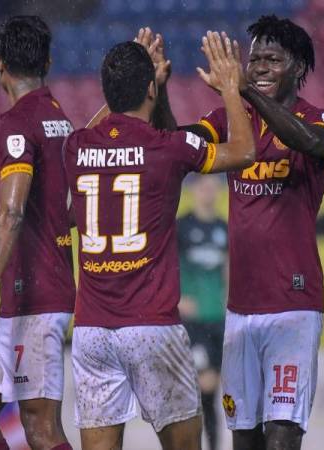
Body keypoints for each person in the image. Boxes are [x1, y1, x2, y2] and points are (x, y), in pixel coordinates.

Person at [62, 30, 255, 450]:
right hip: (151, 326)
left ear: (107, 91)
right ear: (152, 88)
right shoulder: (168, 147)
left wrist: (125, 86)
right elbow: (243, 150)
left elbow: (101, 127)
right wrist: (229, 89)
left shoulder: (76, 148)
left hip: (92, 329)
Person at [188, 15, 324, 450]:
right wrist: (158, 94)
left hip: (293, 305)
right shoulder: (232, 119)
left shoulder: (319, 118)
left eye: (272, 60)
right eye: (253, 61)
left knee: (282, 437)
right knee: (244, 438)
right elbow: (181, 145)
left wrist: (242, 88)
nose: (259, 68)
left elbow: (309, 143)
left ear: (297, 67)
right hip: (241, 308)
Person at [0, 16, 75, 450]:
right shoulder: (58, 117)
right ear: (46, 60)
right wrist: (3, 221)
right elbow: (52, 203)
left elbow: (15, 211)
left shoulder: (18, 120)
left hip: (37, 296)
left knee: (41, 428)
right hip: (27, 294)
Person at [177, 174, 228, 450]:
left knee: (210, 394)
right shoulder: (182, 227)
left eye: (213, 186)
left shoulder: (223, 228)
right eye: (203, 185)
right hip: (192, 322)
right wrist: (176, 298)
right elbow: (165, 265)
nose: (208, 191)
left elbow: (228, 270)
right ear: (194, 189)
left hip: (217, 321)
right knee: (203, 389)